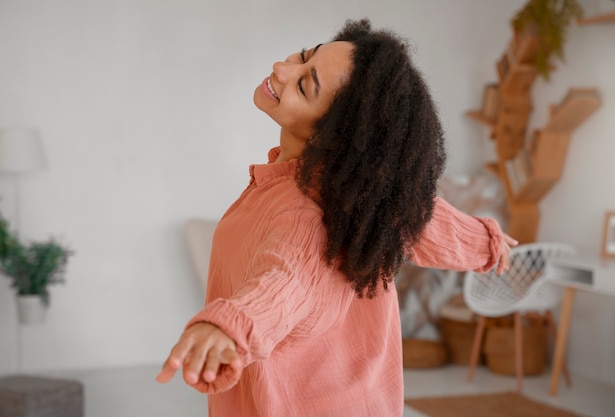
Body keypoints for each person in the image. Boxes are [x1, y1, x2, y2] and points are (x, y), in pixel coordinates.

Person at [156, 18, 517, 417]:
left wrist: (228, 326)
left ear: (329, 135)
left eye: (304, 85)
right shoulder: (363, 192)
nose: (282, 69)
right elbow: (421, 216)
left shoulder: (303, 213)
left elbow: (286, 280)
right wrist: (486, 243)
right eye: (305, 57)